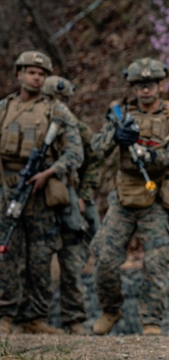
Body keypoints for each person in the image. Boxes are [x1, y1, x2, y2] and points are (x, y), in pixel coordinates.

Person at [90, 58, 169, 336]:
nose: (145, 90)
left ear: (161, 85)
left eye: (150, 85)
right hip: (123, 197)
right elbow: (97, 148)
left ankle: (151, 321)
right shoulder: (119, 115)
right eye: (139, 86)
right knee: (105, 259)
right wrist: (116, 136)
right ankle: (111, 311)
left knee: (155, 263)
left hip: (157, 197)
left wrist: (153, 157)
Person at [0, 51, 84, 335]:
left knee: (40, 257)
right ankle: (7, 316)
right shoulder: (4, 108)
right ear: (19, 74)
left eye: (41, 73)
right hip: (7, 190)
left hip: (40, 193)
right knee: (8, 254)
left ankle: (35, 317)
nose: (36, 77)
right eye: (31, 71)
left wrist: (48, 173)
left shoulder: (56, 111)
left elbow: (75, 153)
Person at [41, 75, 101, 335]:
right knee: (36, 259)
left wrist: (84, 195)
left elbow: (94, 163)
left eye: (63, 100)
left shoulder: (79, 129)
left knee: (73, 258)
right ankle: (30, 318)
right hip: (39, 200)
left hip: (71, 201)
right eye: (53, 99)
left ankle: (74, 318)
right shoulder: (34, 124)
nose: (59, 104)